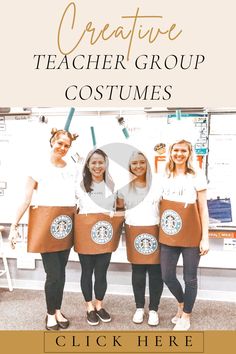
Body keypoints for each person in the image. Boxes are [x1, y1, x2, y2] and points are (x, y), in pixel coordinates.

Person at [8, 128, 78, 331]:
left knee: (61, 272)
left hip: (65, 225)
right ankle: (49, 315)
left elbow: (75, 195)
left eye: (66, 145)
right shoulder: (37, 167)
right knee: (53, 274)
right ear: (52, 142)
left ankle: (57, 309)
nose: (63, 148)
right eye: (59, 143)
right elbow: (26, 198)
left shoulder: (71, 168)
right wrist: (13, 226)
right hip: (45, 226)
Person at [159, 139, 209, 330]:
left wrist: (205, 238)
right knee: (167, 275)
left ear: (189, 153)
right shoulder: (165, 174)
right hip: (169, 233)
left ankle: (186, 315)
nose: (179, 154)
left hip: (191, 235)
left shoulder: (197, 175)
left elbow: (203, 209)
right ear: (170, 152)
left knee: (190, 278)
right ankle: (181, 303)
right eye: (175, 150)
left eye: (183, 150)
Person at [74, 149, 123, 326]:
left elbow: (116, 210)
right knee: (87, 272)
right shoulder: (79, 185)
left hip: (104, 235)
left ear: (105, 164)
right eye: (93, 162)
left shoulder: (111, 184)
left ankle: (99, 305)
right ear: (87, 164)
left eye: (100, 162)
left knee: (101, 272)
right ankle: (89, 307)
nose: (97, 166)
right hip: (85, 236)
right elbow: (73, 209)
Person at [117, 151, 163, 326]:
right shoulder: (124, 188)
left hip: (155, 231)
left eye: (142, 163)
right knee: (137, 272)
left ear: (147, 165)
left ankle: (153, 310)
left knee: (155, 273)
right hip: (133, 231)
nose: (138, 166)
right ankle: (139, 308)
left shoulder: (157, 186)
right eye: (134, 163)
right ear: (130, 166)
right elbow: (119, 210)